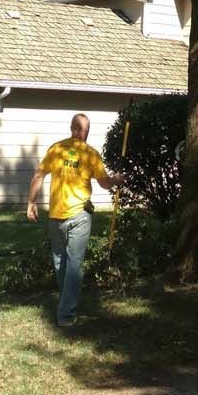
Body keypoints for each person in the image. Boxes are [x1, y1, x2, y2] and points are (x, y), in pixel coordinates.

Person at [26, 112, 124, 327]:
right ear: (78, 130)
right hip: (71, 215)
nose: (85, 133)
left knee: (65, 264)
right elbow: (105, 183)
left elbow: (39, 176)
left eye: (86, 130)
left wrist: (31, 202)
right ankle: (66, 313)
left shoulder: (57, 149)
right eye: (84, 129)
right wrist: (116, 180)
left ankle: (65, 309)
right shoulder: (86, 153)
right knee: (69, 265)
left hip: (66, 215)